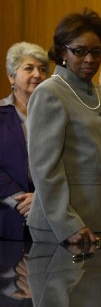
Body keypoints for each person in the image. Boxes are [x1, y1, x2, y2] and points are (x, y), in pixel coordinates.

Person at [26, 8, 101, 244]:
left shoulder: (99, 91)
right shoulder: (50, 92)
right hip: (64, 225)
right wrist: (68, 224)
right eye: (79, 51)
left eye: (96, 51)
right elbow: (44, 169)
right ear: (62, 53)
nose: (89, 59)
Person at [0, 42, 49, 241]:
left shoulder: (58, 114)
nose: (37, 74)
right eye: (29, 68)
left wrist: (40, 199)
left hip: (51, 212)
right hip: (9, 215)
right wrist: (20, 199)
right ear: (11, 76)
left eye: (43, 69)